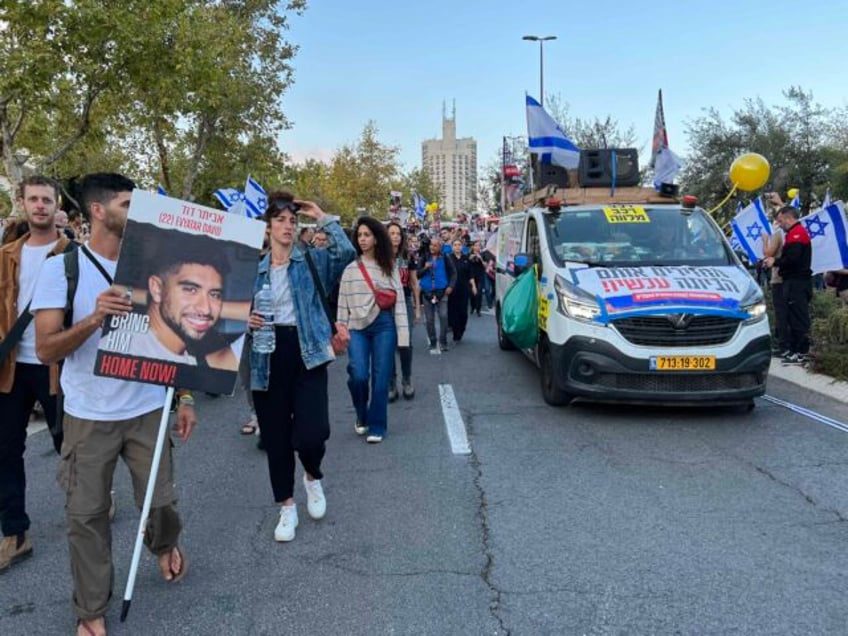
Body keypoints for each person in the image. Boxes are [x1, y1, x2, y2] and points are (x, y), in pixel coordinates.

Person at [31, 173, 197, 636]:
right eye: (128, 203)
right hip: (89, 416)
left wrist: (183, 396)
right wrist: (94, 318)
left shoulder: (153, 265)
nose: (136, 211)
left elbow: (174, 339)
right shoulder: (61, 269)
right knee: (85, 519)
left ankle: (164, 545)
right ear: (99, 211)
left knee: (162, 502)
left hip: (148, 408)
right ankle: (90, 610)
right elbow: (46, 349)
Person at [248, 191, 354, 543]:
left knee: (313, 431)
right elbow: (225, 310)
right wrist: (242, 319)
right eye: (280, 220)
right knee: (276, 437)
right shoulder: (252, 270)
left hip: (307, 351)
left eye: (292, 221)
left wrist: (321, 215)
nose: (287, 226)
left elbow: (346, 252)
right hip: (266, 354)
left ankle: (312, 474)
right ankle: (287, 506)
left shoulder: (311, 261)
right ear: (266, 227)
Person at [0, 176, 73, 574]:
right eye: (34, 199)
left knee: (70, 444)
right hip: (11, 368)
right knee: (5, 450)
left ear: (55, 205)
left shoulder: (73, 254)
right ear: (23, 204)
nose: (41, 205)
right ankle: (15, 533)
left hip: (56, 368)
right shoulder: (6, 254)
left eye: (47, 199)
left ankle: (91, 501)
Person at [98, 234, 242, 371]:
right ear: (157, 288)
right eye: (190, 289)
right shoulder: (121, 349)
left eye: (215, 294)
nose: (205, 309)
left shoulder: (187, 360)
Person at [338, 216, 409, 443]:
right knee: (358, 375)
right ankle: (361, 414)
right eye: (359, 235)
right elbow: (342, 302)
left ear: (377, 239)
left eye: (367, 235)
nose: (363, 239)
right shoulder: (349, 269)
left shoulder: (389, 267)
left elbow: (398, 303)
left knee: (381, 377)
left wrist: (404, 337)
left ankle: (377, 425)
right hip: (356, 328)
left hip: (384, 326)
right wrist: (341, 328)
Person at [763, 205, 812, 364]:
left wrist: (774, 261)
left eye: (780, 220)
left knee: (798, 317)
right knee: (792, 316)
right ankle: (796, 351)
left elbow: (793, 259)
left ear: (788, 218)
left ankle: (801, 352)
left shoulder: (797, 234)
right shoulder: (793, 233)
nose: (779, 224)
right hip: (793, 281)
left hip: (797, 282)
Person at [387, 221, 418, 401]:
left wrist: (416, 307)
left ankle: (407, 379)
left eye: (398, 233)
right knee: (388, 344)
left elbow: (414, 282)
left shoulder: (408, 255)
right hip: (385, 304)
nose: (396, 236)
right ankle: (391, 383)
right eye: (392, 233)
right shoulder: (379, 256)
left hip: (404, 301)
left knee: (405, 344)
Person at [418, 237, 456, 353]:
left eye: (435, 245)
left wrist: (450, 286)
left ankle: (443, 341)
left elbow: (453, 273)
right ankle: (433, 341)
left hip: (442, 292)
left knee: (443, 316)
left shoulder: (445, 257)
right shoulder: (424, 257)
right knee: (429, 320)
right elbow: (417, 274)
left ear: (440, 247)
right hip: (427, 293)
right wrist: (426, 267)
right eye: (431, 245)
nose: (432, 247)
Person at [447, 239, 475, 343]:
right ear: (452, 247)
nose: (457, 247)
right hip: (452, 289)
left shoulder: (466, 258)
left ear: (462, 246)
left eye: (459, 245)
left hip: (464, 289)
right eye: (455, 245)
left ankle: (462, 329)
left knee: (463, 313)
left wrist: (474, 286)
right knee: (453, 312)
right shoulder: (448, 258)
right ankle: (456, 332)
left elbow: (470, 274)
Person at [468, 241, 485, 317]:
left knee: (479, 292)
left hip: (480, 275)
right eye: (476, 245)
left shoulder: (482, 254)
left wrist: (480, 258)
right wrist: (471, 257)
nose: (477, 247)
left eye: (479, 246)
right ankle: (472, 307)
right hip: (471, 275)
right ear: (473, 246)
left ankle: (478, 309)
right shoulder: (469, 254)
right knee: (472, 293)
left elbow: (485, 265)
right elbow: (467, 264)